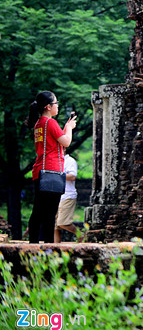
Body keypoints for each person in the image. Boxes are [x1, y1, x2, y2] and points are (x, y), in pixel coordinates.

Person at [27, 91, 75, 244]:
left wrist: (66, 128)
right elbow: (66, 142)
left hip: (41, 170)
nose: (57, 106)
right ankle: (48, 247)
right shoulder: (50, 122)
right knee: (49, 213)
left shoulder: (39, 124)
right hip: (51, 171)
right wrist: (69, 127)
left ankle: (33, 244)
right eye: (56, 103)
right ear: (48, 107)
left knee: (38, 211)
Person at [54, 152, 79, 243]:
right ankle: (55, 248)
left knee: (63, 223)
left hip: (67, 195)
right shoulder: (54, 161)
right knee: (55, 227)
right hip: (55, 195)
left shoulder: (70, 161)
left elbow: (72, 176)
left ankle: (82, 235)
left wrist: (56, 176)